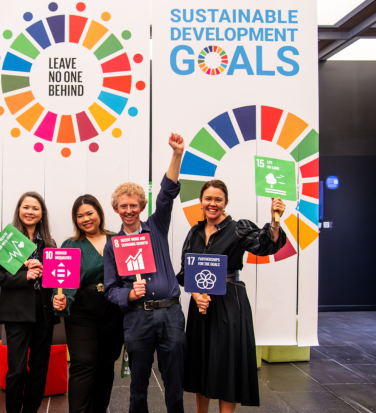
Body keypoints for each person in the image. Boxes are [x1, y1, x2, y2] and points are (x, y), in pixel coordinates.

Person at [176, 180, 287, 413]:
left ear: (225, 203)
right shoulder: (194, 232)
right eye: (208, 199)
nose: (212, 203)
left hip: (229, 302)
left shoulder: (238, 228)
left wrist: (275, 222)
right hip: (200, 303)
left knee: (226, 364)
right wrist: (196, 296)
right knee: (201, 362)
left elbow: (264, 245)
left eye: (218, 199)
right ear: (201, 201)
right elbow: (185, 273)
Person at [103, 133, 186, 413]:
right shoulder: (112, 245)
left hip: (170, 314)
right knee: (137, 383)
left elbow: (167, 192)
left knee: (175, 380)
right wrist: (128, 293)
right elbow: (111, 288)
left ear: (142, 206)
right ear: (116, 209)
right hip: (137, 317)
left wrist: (177, 155)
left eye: (134, 205)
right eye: (123, 206)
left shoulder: (157, 226)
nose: (129, 210)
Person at [0, 192, 59, 413]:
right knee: (16, 370)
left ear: (42, 214)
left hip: (44, 313)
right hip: (16, 313)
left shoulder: (49, 242)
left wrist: (56, 285)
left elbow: (56, 277)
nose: (30, 212)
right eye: (26, 207)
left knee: (39, 370)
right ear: (19, 209)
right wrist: (24, 276)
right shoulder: (7, 238)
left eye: (35, 208)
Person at [52, 195, 124, 413]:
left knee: (105, 365)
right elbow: (62, 282)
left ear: (99, 214)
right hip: (82, 311)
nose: (85, 219)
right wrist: (61, 297)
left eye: (89, 213)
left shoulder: (117, 240)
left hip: (113, 309)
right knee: (83, 363)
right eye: (80, 215)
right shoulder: (71, 245)